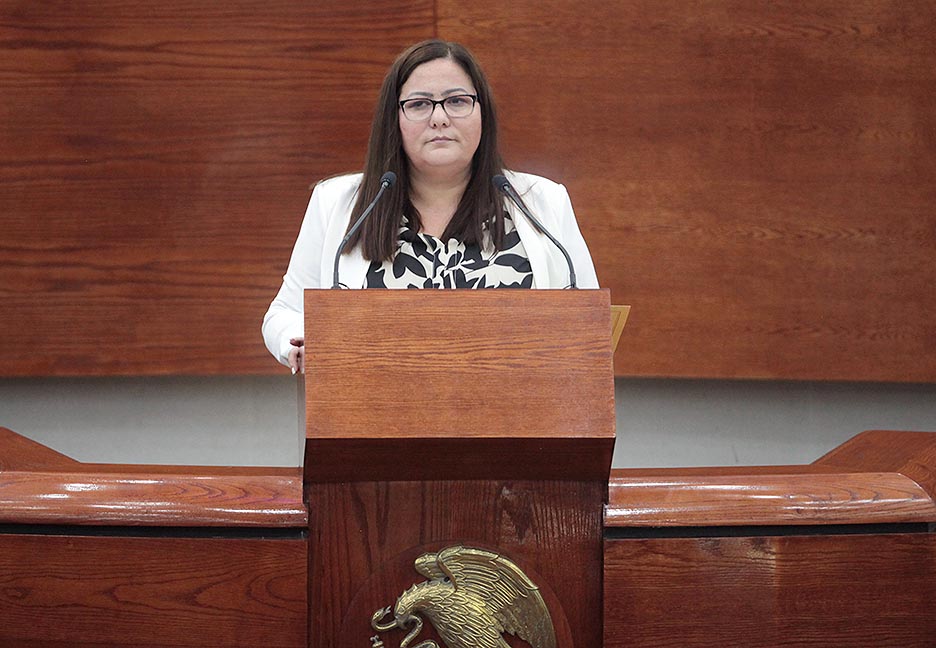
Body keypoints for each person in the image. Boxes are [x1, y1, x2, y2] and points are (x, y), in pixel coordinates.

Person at [262, 39, 598, 373]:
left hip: (520, 403)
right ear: (395, 118)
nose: (439, 118)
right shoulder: (339, 203)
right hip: (376, 402)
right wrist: (302, 340)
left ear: (482, 112)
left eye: (456, 101)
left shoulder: (541, 202)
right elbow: (285, 313)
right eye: (420, 104)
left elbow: (589, 321)